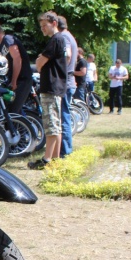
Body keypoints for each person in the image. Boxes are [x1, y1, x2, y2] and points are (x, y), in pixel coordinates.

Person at [28, 11, 68, 170]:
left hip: (51, 87)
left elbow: (39, 63)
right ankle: (56, 159)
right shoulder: (60, 40)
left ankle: (46, 159)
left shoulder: (55, 40)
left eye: (45, 25)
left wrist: (39, 61)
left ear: (54, 23)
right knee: (56, 125)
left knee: (51, 125)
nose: (42, 28)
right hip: (56, 87)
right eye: (41, 26)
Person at [0, 21, 33, 114]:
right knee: (11, 110)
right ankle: (24, 123)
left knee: (13, 111)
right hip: (14, 81)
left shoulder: (8, 39)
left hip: (22, 79)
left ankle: (25, 123)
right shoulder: (0, 47)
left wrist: (14, 81)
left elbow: (17, 58)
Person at [57, 16, 75, 158]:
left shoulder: (63, 37)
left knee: (63, 117)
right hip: (69, 81)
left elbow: (67, 55)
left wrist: (60, 69)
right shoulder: (70, 36)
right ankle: (65, 149)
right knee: (64, 115)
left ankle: (65, 151)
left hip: (65, 82)